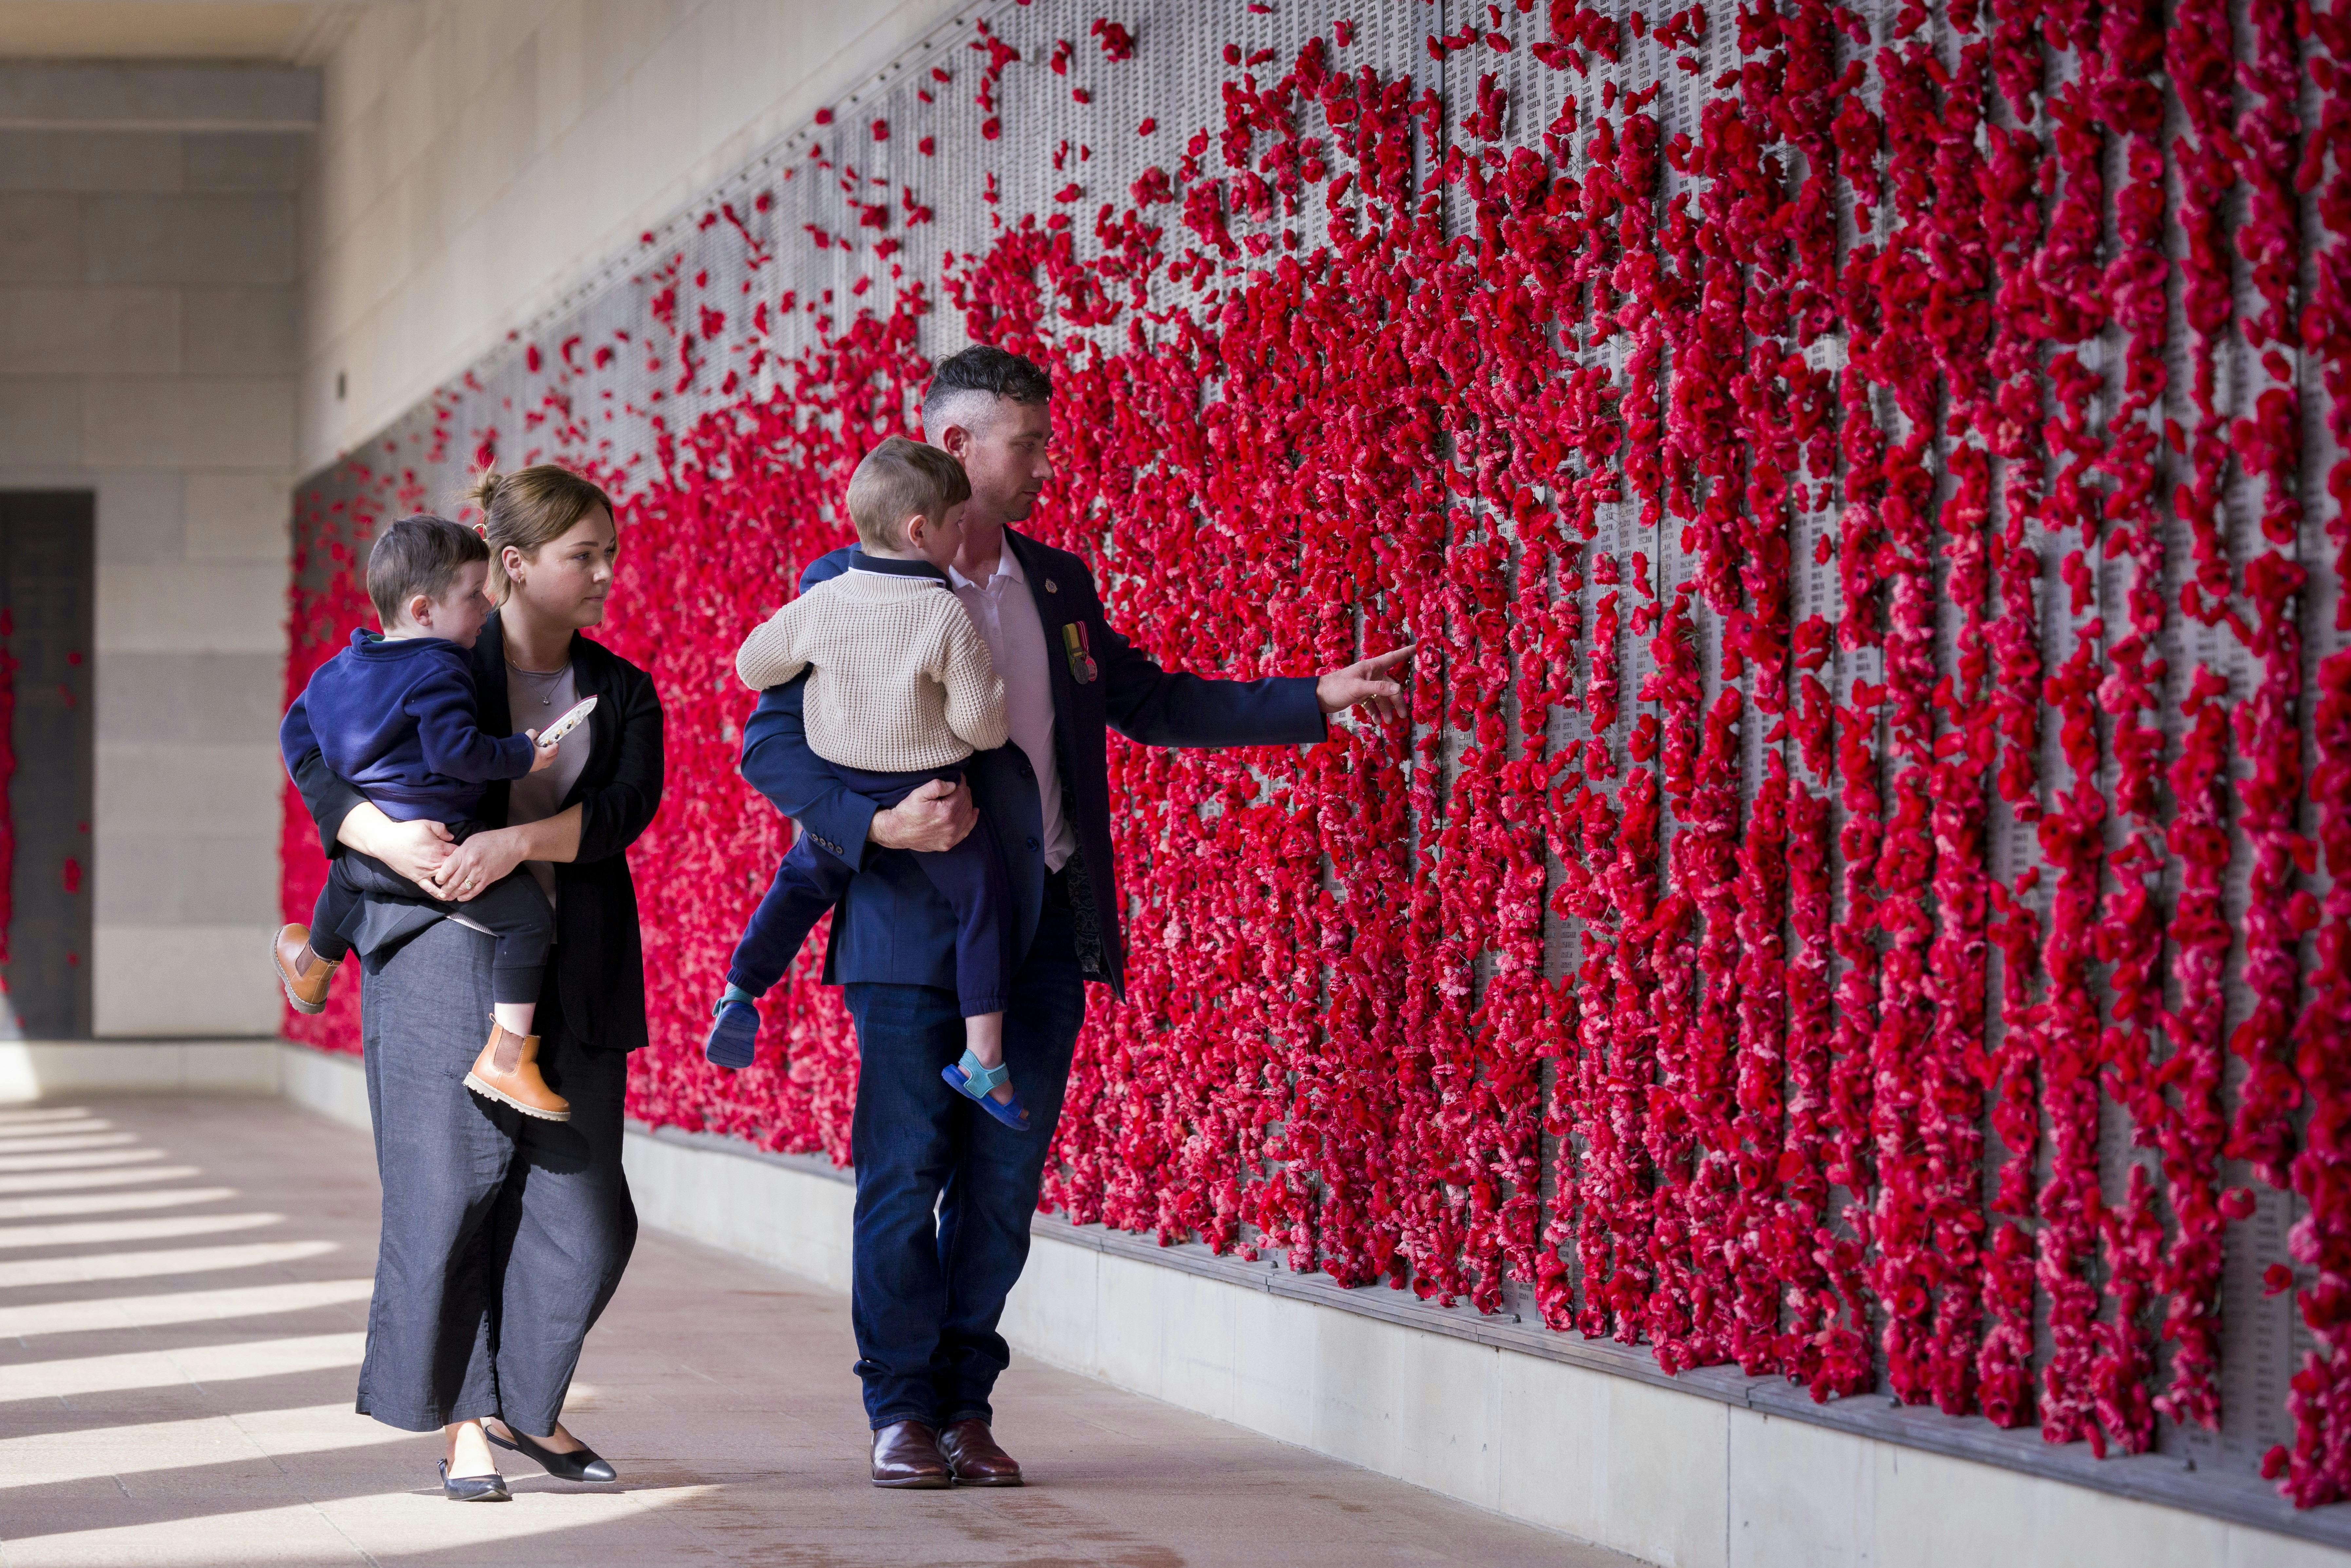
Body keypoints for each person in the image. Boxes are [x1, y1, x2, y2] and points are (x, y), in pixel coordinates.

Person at [737, 345, 1412, 1490]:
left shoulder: (1056, 583)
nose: (1050, 461)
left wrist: (1311, 699)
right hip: (909, 924)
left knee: (1002, 1182)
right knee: (905, 1172)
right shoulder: (849, 579)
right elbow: (771, 743)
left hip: (1046, 923)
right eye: (1029, 440)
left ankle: (965, 1402)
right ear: (955, 448)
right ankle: (900, 1408)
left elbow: (1145, 699)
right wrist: (875, 824)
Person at [286, 465, 663, 1501]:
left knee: (591, 1222)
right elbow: (317, 754)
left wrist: (514, 842)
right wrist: (381, 835)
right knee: (450, 1195)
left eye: (608, 554)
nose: (605, 574)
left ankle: (516, 1403)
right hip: (437, 954)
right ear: (513, 566)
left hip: (570, 963)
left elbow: (627, 810)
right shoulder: (440, 651)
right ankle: (461, 1419)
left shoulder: (621, 689)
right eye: (585, 555)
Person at [711, 438, 1030, 1126]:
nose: (963, 536)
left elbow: (751, 667)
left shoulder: (822, 601)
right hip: (932, 792)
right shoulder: (943, 613)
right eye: (956, 523)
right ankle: (984, 1059)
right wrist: (987, 694)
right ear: (920, 532)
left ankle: (741, 990)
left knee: (798, 885)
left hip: (845, 792)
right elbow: (983, 729)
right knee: (983, 905)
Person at [274, 514, 570, 1120]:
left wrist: (370, 822)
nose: (487, 607)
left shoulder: (338, 669)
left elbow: (295, 732)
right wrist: (524, 755)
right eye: (473, 595)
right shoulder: (440, 669)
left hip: (365, 858)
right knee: (529, 923)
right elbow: (456, 753)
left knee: (346, 883)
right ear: (424, 610)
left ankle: (309, 967)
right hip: (439, 847)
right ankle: (508, 1060)